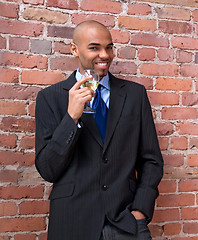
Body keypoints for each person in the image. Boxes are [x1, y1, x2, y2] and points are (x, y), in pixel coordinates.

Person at [35, 20, 163, 240]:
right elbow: (48, 169)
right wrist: (71, 118)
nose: (105, 55)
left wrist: (140, 211)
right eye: (94, 48)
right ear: (74, 49)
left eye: (109, 47)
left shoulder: (134, 95)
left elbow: (151, 160)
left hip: (125, 222)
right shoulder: (50, 98)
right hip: (72, 222)